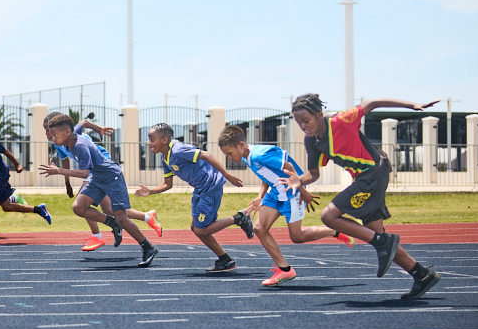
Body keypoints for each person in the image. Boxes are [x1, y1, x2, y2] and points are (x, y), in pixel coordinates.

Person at [289, 93, 441, 299]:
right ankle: (422, 274)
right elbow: (313, 174)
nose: (303, 126)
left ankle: (382, 243)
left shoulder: (342, 120)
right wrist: (300, 180)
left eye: (306, 120)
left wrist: (412, 104)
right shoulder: (312, 142)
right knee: (375, 232)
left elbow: (373, 103)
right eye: (299, 123)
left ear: (318, 114)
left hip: (374, 172)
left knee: (328, 216)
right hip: (364, 178)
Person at [218, 125, 354, 286]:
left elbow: (289, 167)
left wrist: (302, 191)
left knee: (297, 237)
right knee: (259, 228)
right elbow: (267, 174)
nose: (229, 157)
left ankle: (335, 230)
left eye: (229, 153)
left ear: (241, 145)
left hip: (292, 193)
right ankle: (285, 269)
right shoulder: (247, 157)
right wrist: (260, 197)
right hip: (276, 193)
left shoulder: (259, 155)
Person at [39, 114, 159, 267]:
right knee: (78, 207)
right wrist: (99, 129)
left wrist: (59, 171)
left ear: (67, 133)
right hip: (98, 179)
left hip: (112, 178)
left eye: (55, 135)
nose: (52, 138)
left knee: (121, 217)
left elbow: (83, 172)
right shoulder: (72, 133)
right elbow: (83, 122)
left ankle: (148, 247)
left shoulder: (80, 147)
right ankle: (112, 224)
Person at [134, 123, 253, 273]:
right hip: (200, 190)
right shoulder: (165, 159)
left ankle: (239, 218)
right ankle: (225, 260)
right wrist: (150, 191)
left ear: (164, 140)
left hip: (210, 187)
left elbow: (207, 155)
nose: (149, 143)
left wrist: (227, 175)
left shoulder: (178, 150)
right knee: (195, 228)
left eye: (152, 139)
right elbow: (167, 184)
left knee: (201, 229)